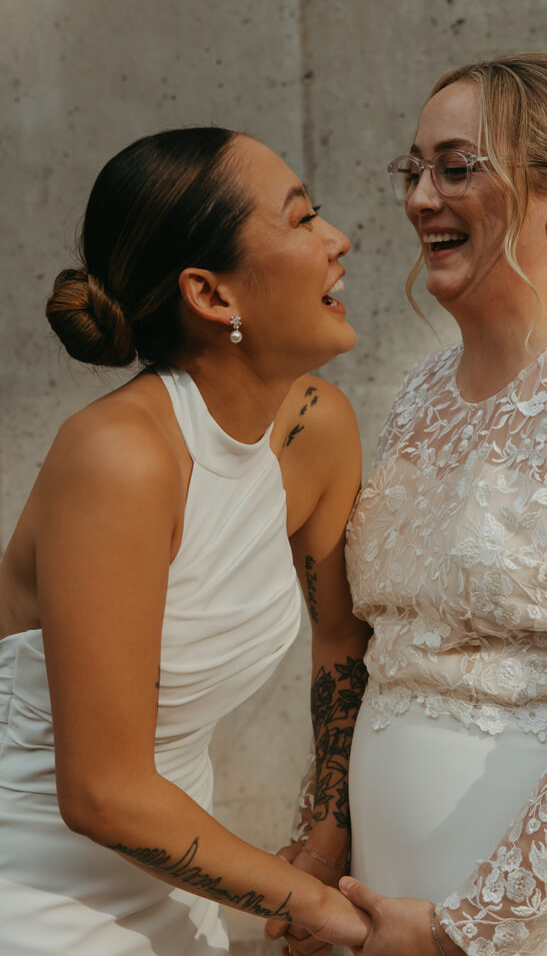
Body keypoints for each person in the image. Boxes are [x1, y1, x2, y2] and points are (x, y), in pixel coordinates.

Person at [303, 54, 547, 956]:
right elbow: (363, 648)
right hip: (387, 889)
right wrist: (324, 849)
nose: (421, 197)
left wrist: (467, 930)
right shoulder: (420, 391)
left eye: (457, 166)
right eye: (415, 168)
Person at [0, 126, 371, 954]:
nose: (337, 240)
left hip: (173, 894)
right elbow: (101, 793)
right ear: (211, 294)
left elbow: (340, 639)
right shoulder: (120, 457)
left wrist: (324, 832)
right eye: (303, 219)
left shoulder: (316, 429)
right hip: (28, 897)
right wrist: (323, 910)